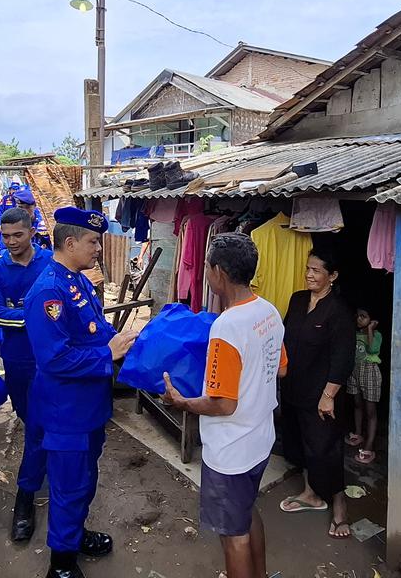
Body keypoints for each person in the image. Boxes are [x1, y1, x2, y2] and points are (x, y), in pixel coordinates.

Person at [161, 233, 286, 578]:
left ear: (217, 271)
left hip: (231, 450)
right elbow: (281, 367)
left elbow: (224, 404)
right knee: (246, 513)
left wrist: (182, 402)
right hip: (260, 439)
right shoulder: (269, 311)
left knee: (234, 536)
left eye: (206, 267)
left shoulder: (227, 327)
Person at [24, 207, 138, 578]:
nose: (99, 248)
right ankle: (61, 564)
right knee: (69, 485)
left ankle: (73, 535)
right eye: (93, 241)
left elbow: (96, 329)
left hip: (87, 407)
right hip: (65, 412)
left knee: (85, 479)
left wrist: (122, 342)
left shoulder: (78, 281)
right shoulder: (49, 292)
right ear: (70, 243)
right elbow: (55, 359)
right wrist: (108, 353)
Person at [0, 208, 54, 542]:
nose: (10, 242)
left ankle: (25, 496)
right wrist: (36, 315)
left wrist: (23, 310)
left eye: (17, 235)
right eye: (5, 236)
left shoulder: (52, 263)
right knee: (31, 420)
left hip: (53, 359)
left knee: (42, 425)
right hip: (19, 359)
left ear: (32, 232)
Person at [277, 249, 356, 540]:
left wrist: (329, 395)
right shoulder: (298, 300)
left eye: (317, 271)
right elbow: (285, 338)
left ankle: (339, 506)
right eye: (308, 268)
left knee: (326, 448)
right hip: (293, 387)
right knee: (300, 443)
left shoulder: (338, 311)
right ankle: (311, 493)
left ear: (332, 276)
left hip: (321, 394)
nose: (310, 274)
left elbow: (343, 358)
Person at [345, 308, 383, 464]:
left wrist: (369, 330)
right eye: (358, 316)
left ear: (372, 319)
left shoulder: (376, 335)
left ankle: (369, 446)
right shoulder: (353, 334)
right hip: (355, 371)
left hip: (370, 373)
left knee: (370, 410)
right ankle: (358, 433)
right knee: (357, 404)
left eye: (364, 317)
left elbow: (372, 349)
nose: (360, 319)